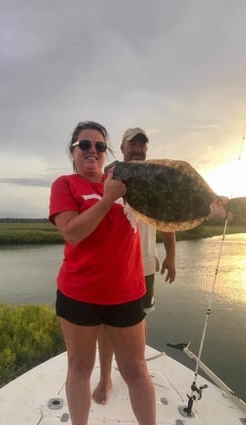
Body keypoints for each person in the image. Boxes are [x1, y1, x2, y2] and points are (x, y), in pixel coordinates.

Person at [49, 121, 156, 425]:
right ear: (73, 151)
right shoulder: (66, 185)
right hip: (79, 294)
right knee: (80, 368)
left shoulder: (126, 181)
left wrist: (210, 204)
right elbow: (71, 232)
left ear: (107, 152)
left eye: (99, 146)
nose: (92, 151)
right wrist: (109, 198)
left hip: (125, 293)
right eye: (84, 145)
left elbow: (165, 205)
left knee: (136, 370)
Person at [92, 127, 176, 405]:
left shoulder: (157, 180)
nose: (138, 149)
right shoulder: (111, 175)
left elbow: (167, 219)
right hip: (114, 268)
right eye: (133, 144)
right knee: (105, 325)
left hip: (145, 266)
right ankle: (105, 376)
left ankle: (137, 369)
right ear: (123, 148)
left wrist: (171, 255)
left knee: (139, 319)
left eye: (143, 145)